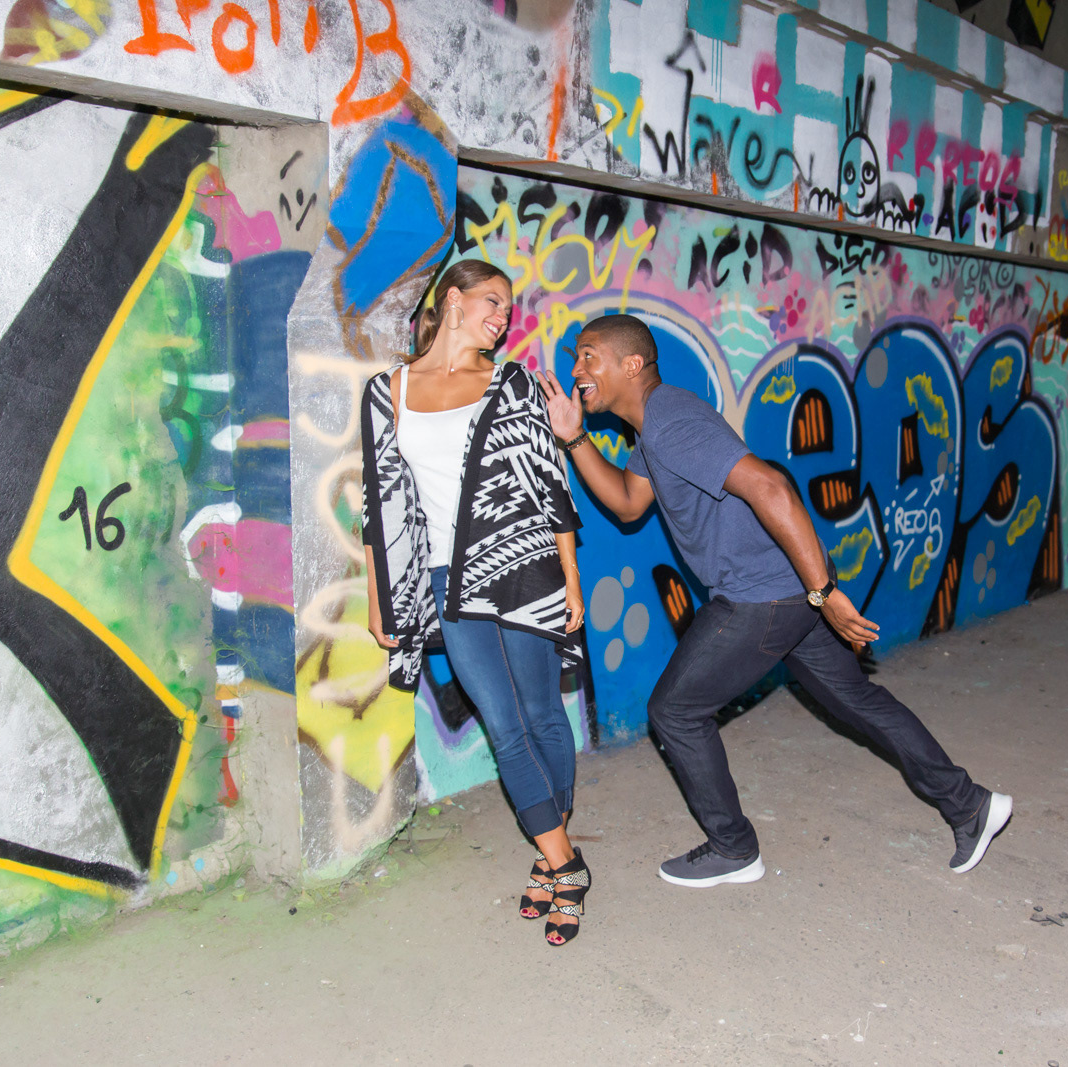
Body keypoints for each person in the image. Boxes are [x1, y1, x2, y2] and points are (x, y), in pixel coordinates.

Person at [537, 314, 1011, 888]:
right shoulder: (655, 426)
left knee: (674, 712)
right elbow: (629, 502)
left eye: (589, 356)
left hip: (762, 595)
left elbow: (771, 487)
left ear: (631, 365)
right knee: (858, 700)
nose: (577, 370)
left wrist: (824, 592)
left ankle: (733, 847)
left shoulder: (670, 420)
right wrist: (574, 438)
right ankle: (970, 804)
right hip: (785, 588)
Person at [361, 260, 592, 945]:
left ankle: (552, 859)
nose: (502, 316)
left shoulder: (511, 382)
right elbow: (379, 500)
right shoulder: (390, 390)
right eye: (493, 301)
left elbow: (550, 484)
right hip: (447, 579)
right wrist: (380, 597)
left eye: (508, 308)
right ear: (453, 300)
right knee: (503, 723)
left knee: (543, 714)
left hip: (527, 569)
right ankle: (566, 861)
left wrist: (571, 578)